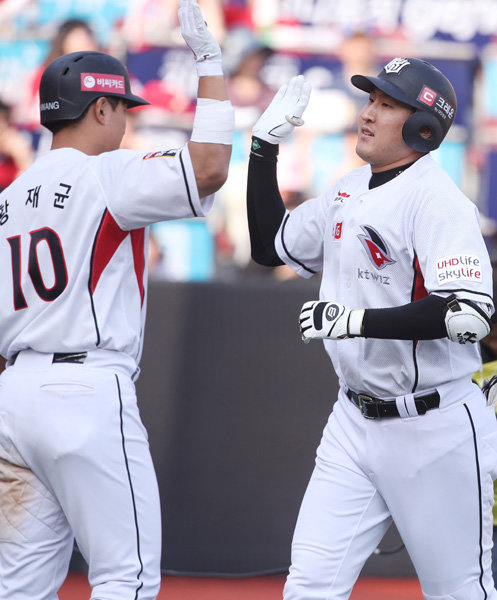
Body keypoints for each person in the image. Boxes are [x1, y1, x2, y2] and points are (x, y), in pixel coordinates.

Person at [0, 0, 233, 598]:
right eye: (122, 107)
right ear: (100, 107)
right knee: (124, 575)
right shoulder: (105, 175)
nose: (125, 120)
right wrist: (210, 63)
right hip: (85, 390)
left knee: (18, 586)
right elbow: (207, 168)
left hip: (13, 396)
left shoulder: (8, 197)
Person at [246, 61, 497, 599]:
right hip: (353, 421)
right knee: (309, 586)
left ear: (421, 127)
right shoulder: (349, 188)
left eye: (386, 104)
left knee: (459, 592)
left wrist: (353, 321)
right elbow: (271, 246)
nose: (367, 113)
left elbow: (467, 313)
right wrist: (263, 149)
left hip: (434, 423)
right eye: (370, 100)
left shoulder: (440, 200)